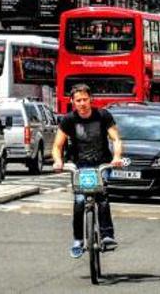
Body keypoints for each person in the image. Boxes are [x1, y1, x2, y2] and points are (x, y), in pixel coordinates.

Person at [52, 84, 124, 259]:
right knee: (79, 201)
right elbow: (57, 145)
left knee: (102, 198)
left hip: (101, 164)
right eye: (78, 100)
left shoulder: (103, 116)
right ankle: (78, 240)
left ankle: (107, 235)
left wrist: (116, 157)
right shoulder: (68, 120)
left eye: (85, 99)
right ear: (72, 102)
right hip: (79, 166)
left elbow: (116, 139)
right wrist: (58, 161)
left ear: (91, 99)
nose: (82, 103)